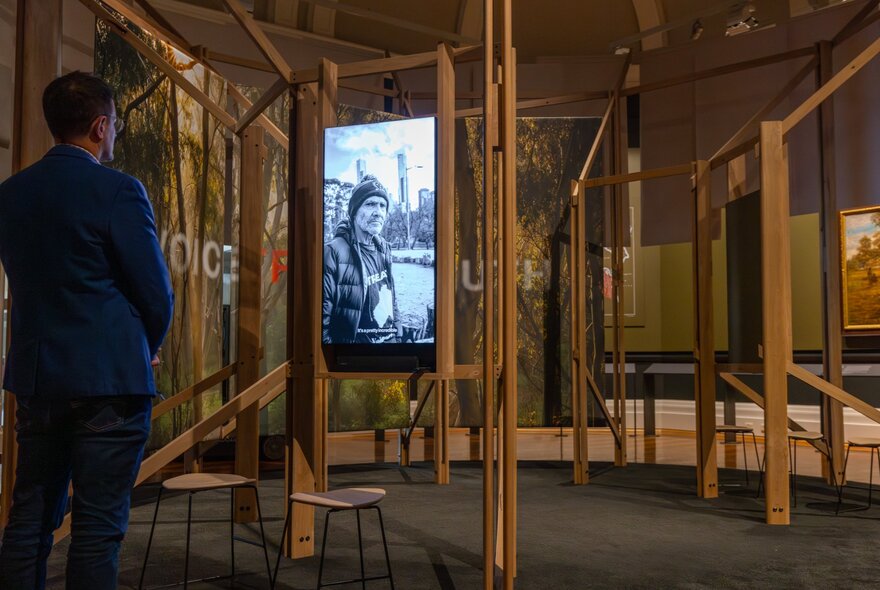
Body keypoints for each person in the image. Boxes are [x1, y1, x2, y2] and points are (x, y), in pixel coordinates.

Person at [0, 71, 173, 589]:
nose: (114, 134)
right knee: (97, 528)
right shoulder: (120, 190)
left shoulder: (10, 194)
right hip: (110, 383)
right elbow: (156, 291)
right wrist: (147, 345)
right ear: (101, 126)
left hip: (38, 382)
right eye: (115, 124)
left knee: (28, 521)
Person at [322, 174, 399, 344]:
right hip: (358, 353)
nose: (378, 212)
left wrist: (398, 333)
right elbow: (323, 321)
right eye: (370, 204)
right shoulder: (333, 252)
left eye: (382, 206)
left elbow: (391, 296)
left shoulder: (384, 248)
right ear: (354, 212)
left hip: (390, 343)